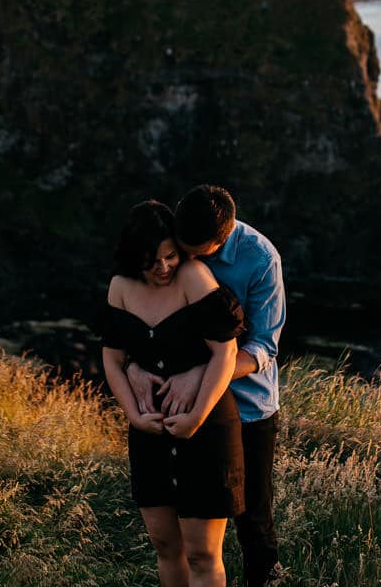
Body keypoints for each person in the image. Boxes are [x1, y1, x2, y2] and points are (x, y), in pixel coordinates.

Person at [128, 185, 286, 587]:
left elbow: (264, 347)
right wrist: (132, 366)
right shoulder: (171, 245)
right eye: (186, 250)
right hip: (176, 406)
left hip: (247, 407)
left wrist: (203, 372)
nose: (191, 263)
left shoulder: (261, 259)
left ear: (225, 235)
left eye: (205, 253)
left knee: (252, 517)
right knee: (181, 518)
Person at [102, 200, 247, 587]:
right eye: (152, 260)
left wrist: (196, 416)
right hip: (149, 432)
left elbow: (226, 352)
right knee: (165, 547)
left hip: (207, 427)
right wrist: (134, 416)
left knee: (202, 554)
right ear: (134, 257)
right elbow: (112, 358)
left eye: (170, 255)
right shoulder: (120, 287)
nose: (164, 267)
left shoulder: (195, 277)